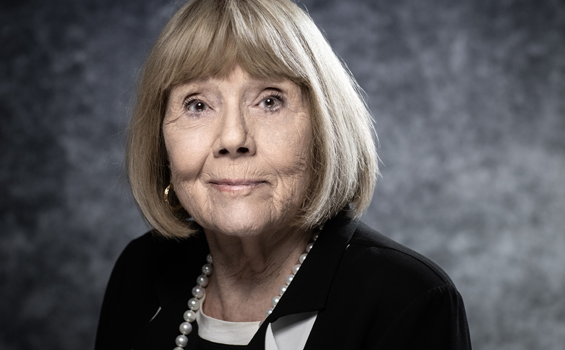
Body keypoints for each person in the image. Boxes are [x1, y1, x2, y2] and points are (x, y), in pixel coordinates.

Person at [95, 0, 472, 349]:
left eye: (270, 101)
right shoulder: (141, 269)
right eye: (197, 105)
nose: (232, 138)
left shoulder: (407, 298)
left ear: (324, 129)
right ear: (160, 137)